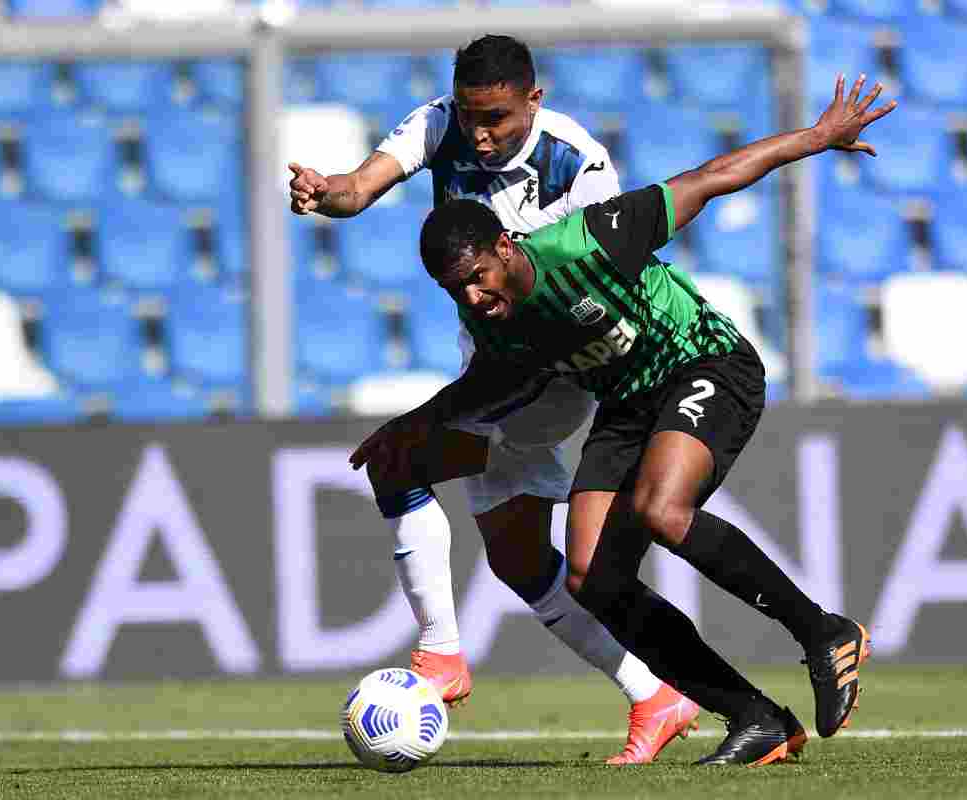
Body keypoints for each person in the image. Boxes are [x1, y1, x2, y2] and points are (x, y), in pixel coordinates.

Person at [349, 73, 897, 765]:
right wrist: (412, 425)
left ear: (508, 248)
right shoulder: (491, 324)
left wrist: (817, 138)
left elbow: (712, 177)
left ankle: (823, 632)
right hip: (628, 402)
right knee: (590, 579)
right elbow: (484, 384)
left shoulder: (590, 241)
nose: (472, 295)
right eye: (454, 289)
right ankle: (754, 716)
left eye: (478, 276)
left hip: (704, 363)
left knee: (663, 511)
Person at [288, 35, 697, 764]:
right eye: (472, 115)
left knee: (398, 461)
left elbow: (603, 280)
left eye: (498, 119)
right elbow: (362, 183)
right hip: (492, 367)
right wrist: (329, 195)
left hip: (555, 372)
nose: (480, 134)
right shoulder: (440, 124)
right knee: (516, 559)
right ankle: (656, 697)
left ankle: (442, 655)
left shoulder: (578, 164)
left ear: (533, 101)